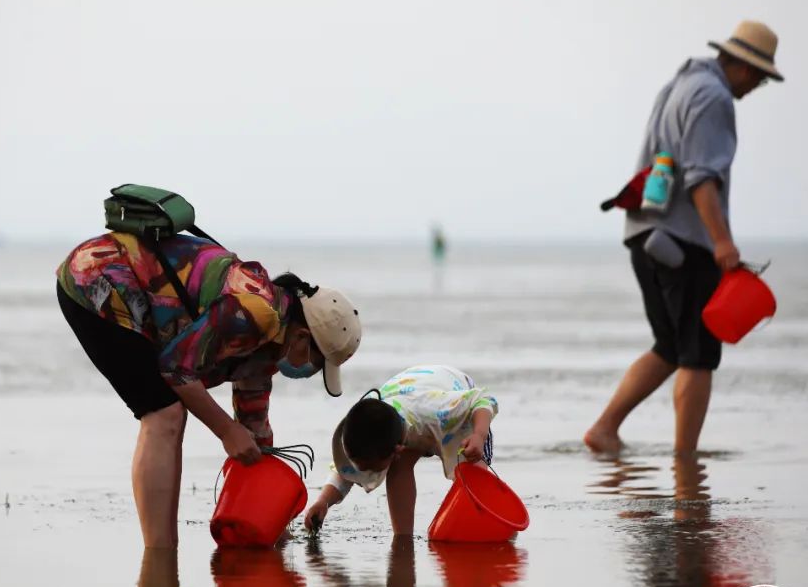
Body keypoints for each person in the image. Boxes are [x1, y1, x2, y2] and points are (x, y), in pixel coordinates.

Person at [56, 230, 362, 548]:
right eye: (316, 363)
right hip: (97, 278)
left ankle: (162, 548)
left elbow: (255, 430)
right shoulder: (255, 313)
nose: (310, 372)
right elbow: (175, 369)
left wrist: (276, 524)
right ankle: (159, 552)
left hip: (123, 289)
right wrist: (226, 431)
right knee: (164, 415)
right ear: (301, 336)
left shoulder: (267, 349)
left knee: (170, 412)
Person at [585, 21, 783, 458]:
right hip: (682, 243)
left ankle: (604, 429)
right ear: (746, 69)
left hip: (644, 235)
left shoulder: (679, 84)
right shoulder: (714, 98)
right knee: (698, 352)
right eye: (760, 78)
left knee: (670, 346)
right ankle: (685, 462)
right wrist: (723, 243)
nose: (756, 87)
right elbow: (701, 177)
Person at [303, 365, 497, 536]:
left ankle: (490, 528)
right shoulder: (363, 422)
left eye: (370, 468)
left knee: (473, 473)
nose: (364, 472)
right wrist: (323, 502)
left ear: (396, 449)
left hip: (449, 390)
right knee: (399, 466)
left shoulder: (439, 411)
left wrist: (479, 435)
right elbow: (344, 469)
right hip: (405, 390)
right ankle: (403, 536)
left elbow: (482, 399)